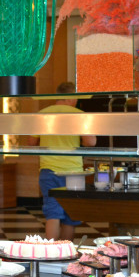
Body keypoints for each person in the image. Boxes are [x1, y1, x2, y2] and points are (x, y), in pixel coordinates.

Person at [27, 82, 96, 240]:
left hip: (48, 170)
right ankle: (66, 252)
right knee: (70, 216)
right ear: (71, 97)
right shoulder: (79, 115)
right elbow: (90, 142)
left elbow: (31, 142)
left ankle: (51, 252)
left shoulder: (42, 114)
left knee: (53, 214)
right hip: (74, 173)